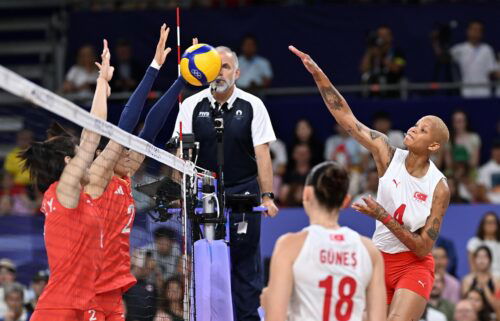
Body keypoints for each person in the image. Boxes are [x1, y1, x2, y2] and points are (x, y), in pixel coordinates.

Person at [290, 45, 450, 321]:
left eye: (423, 130)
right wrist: (319, 75)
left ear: (434, 145)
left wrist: (383, 216)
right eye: (416, 124)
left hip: (413, 265)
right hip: (379, 258)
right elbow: (347, 119)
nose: (413, 128)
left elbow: (423, 247)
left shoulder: (439, 187)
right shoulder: (387, 154)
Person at [83, 24, 189, 321]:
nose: (133, 154)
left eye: (135, 152)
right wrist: (154, 68)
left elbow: (152, 126)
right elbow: (130, 119)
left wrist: (183, 78)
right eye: (126, 150)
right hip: (90, 284)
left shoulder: (126, 178)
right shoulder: (98, 177)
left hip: (115, 286)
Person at [171, 45, 279, 321]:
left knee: (246, 268)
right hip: (204, 193)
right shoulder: (191, 105)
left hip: (243, 190)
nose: (219, 72)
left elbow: (262, 154)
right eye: (214, 67)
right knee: (205, 266)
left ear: (237, 73)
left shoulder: (253, 105)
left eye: (226, 67)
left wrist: (267, 196)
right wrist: (178, 192)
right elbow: (179, 156)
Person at [19, 39, 113, 321]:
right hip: (58, 309)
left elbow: (98, 142)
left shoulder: (79, 194)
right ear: (68, 163)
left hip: (84, 306)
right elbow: (92, 134)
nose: (88, 159)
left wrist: (104, 87)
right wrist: (100, 83)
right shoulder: (64, 189)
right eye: (79, 155)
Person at [260, 161, 386, 321]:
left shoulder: (290, 246)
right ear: (345, 201)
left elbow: (275, 318)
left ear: (307, 194)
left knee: (266, 296)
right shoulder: (370, 250)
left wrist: (268, 304)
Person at [450, 20, 498, 98]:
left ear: (482, 33)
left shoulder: (487, 49)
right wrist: (436, 43)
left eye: (479, 30)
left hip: (484, 92)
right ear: (468, 31)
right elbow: (443, 58)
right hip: (466, 92)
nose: (476, 32)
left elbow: (492, 71)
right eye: (474, 29)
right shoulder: (459, 49)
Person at [360, 25, 406, 97]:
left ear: (391, 37)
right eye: (380, 35)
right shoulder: (373, 52)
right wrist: (369, 52)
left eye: (385, 35)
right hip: (374, 92)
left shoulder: (398, 53)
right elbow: (363, 69)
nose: (382, 38)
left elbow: (396, 69)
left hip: (392, 91)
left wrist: (380, 57)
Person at [462, 246, 500, 312]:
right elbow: (465, 305)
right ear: (474, 260)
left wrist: (485, 287)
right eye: (479, 257)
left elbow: (497, 306)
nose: (482, 260)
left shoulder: (496, 281)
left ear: (490, 260)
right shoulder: (467, 280)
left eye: (485, 257)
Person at [467, 212, 500, 276]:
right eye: (488, 222)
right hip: (481, 278)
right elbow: (472, 266)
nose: (491, 225)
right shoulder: (474, 242)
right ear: (482, 225)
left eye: (493, 222)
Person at [477, 140, 500, 204]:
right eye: (496, 149)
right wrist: (492, 205)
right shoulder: (484, 169)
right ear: (492, 151)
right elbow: (481, 192)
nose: (498, 152)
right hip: (490, 205)